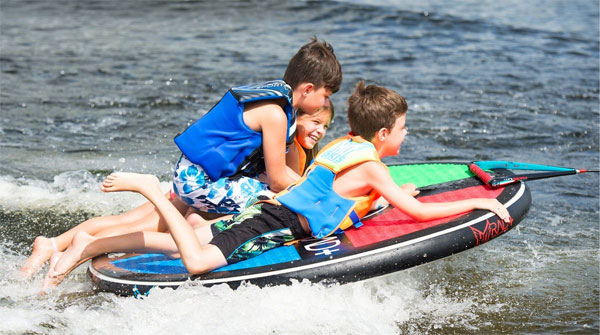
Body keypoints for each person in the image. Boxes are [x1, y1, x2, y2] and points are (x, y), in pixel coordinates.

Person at [41, 81, 511, 289]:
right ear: (383, 135)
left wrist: (392, 193)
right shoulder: (371, 167)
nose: (407, 136)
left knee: (175, 243)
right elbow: (419, 214)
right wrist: (480, 204)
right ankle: (147, 188)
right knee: (198, 260)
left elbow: (345, 194)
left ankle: (86, 243)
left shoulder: (344, 147)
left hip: (269, 209)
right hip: (275, 220)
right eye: (404, 129)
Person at [20, 37, 341, 279]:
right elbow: (279, 180)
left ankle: (61, 243)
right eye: (325, 97)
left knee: (149, 221)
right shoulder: (276, 114)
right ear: (309, 88)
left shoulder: (276, 101)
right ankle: (91, 244)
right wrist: (324, 194)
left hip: (198, 174)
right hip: (202, 180)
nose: (323, 112)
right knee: (261, 204)